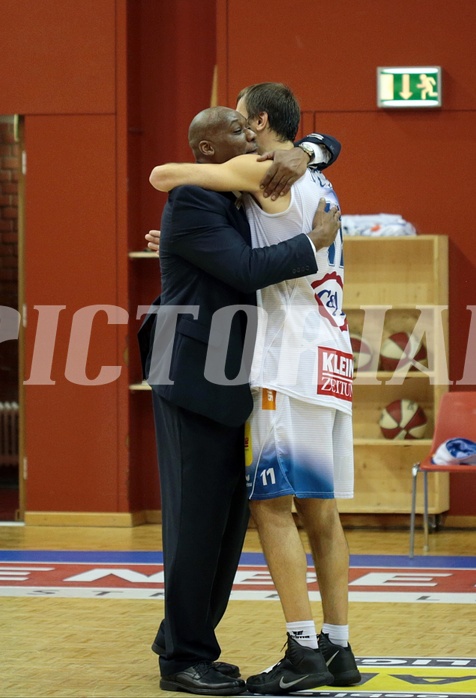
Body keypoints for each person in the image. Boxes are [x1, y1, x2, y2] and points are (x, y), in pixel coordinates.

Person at [149, 82, 361, 694]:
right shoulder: (304, 178)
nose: (248, 141)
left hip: (284, 357)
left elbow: (170, 176)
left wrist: (310, 151)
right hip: (303, 354)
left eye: (249, 127)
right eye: (235, 133)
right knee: (299, 512)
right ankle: (328, 649)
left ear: (263, 123)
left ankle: (303, 652)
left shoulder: (262, 173)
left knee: (265, 509)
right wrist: (314, 159)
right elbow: (205, 218)